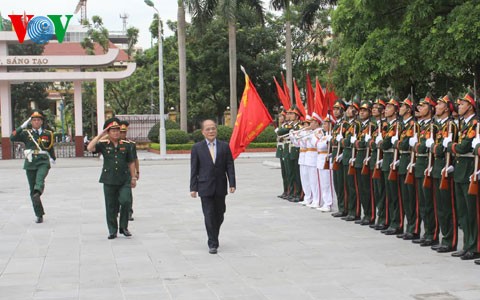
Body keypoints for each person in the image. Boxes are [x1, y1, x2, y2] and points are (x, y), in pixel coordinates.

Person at [190, 119, 236, 254]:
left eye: (213, 128)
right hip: (205, 186)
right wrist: (193, 188)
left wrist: (232, 183)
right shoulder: (197, 148)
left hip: (220, 186)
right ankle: (213, 243)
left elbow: (229, 165)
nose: (211, 131)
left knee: (220, 214)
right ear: (203, 132)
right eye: (208, 129)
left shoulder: (224, 146)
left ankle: (214, 234)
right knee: (209, 215)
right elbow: (194, 169)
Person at [87, 117, 137, 239]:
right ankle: (112, 230)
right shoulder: (104, 145)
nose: (116, 133)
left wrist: (133, 177)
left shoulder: (127, 145)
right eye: (113, 131)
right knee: (110, 206)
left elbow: (131, 162)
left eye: (117, 130)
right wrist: (100, 135)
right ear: (108, 132)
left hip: (124, 179)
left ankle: (124, 227)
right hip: (109, 179)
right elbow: (90, 148)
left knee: (126, 201)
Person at [10, 109, 56, 223]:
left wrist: (53, 158)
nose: (36, 122)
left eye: (38, 120)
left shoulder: (47, 133)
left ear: (41, 122)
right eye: (34, 120)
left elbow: (50, 148)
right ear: (31, 122)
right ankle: (39, 214)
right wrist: (22, 126)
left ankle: (38, 191)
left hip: (43, 161)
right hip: (30, 163)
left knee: (39, 179)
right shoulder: (26, 133)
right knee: (32, 190)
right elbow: (12, 137)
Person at [119, 120, 139, 221]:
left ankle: (128, 212)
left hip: (128, 173)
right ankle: (118, 210)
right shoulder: (113, 143)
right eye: (121, 131)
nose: (122, 134)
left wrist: (137, 172)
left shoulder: (131, 144)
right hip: (117, 173)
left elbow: (135, 159)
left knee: (127, 194)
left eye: (124, 132)